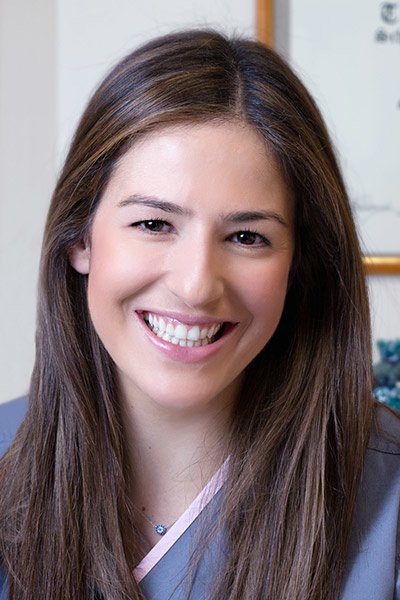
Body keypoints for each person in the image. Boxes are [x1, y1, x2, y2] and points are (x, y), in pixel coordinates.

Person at [0, 29, 399, 600]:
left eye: (247, 237)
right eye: (154, 224)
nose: (195, 286)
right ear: (79, 239)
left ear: (300, 262)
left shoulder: (388, 496)